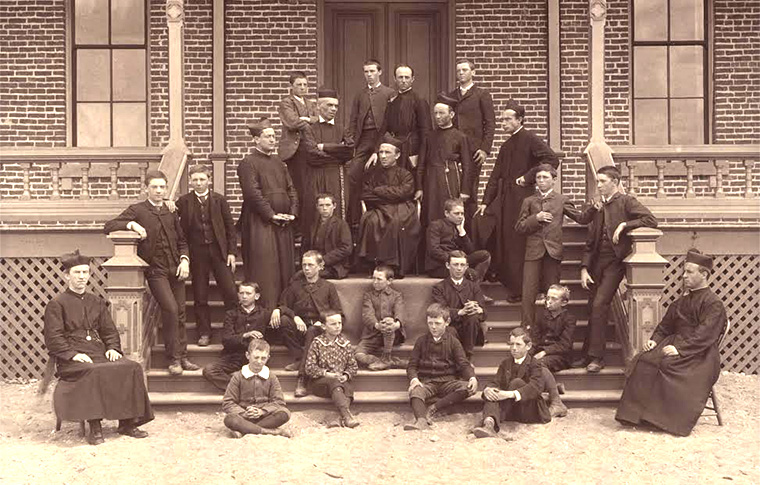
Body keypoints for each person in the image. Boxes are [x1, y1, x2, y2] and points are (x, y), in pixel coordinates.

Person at [43, 250, 153, 445]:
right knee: (93, 371)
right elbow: (54, 338)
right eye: (77, 273)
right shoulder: (56, 304)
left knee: (130, 367)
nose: (82, 277)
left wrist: (112, 347)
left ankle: (127, 422)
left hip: (98, 351)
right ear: (67, 275)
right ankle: (95, 426)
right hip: (71, 359)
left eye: (85, 272)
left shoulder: (96, 301)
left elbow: (109, 330)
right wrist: (73, 355)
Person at [615, 250, 728, 437]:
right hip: (675, 344)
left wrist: (680, 349)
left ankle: (664, 421)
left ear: (704, 274)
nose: (684, 276)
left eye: (689, 272)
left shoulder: (713, 304)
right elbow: (665, 326)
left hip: (700, 354)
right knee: (644, 360)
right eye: (684, 272)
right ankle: (636, 416)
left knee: (667, 365)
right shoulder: (681, 302)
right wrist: (654, 341)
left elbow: (705, 335)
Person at [104, 170, 198, 376]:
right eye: (154, 187)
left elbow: (182, 241)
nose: (158, 191)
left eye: (162, 187)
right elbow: (109, 225)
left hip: (176, 268)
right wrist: (132, 224)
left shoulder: (171, 211)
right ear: (146, 188)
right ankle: (172, 359)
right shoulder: (138, 210)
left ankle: (182, 357)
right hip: (156, 270)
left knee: (180, 312)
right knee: (171, 309)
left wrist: (185, 260)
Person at [476, 101, 559, 302]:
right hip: (504, 199)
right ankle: (502, 277)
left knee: (517, 242)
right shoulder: (506, 145)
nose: (504, 123)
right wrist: (486, 201)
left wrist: (529, 176)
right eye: (502, 119)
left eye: (508, 119)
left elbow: (551, 159)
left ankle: (522, 290)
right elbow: (495, 175)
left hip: (522, 200)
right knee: (489, 229)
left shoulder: (530, 139)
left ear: (519, 120)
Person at [577, 165, 657, 373]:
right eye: (598, 181)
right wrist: (584, 268)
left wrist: (624, 225)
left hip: (615, 262)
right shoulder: (597, 206)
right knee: (591, 307)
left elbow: (651, 219)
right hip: (596, 263)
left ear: (615, 181)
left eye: (603, 181)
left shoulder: (626, 201)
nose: (599, 185)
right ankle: (587, 355)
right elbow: (589, 240)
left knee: (600, 304)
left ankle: (597, 358)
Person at [515, 164, 596, 329]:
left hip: (553, 253)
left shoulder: (561, 200)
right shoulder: (529, 201)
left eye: (545, 177)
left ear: (554, 180)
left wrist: (593, 209)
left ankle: (550, 329)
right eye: (538, 178)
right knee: (528, 293)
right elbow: (519, 227)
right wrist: (535, 218)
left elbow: (581, 219)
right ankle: (527, 329)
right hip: (533, 252)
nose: (541, 181)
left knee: (553, 293)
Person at [237, 118, 298, 308]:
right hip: (259, 224)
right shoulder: (248, 163)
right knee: (265, 271)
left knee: (285, 270)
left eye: (274, 136)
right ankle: (265, 316)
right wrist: (271, 215)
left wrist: (293, 213)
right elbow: (252, 193)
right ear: (256, 139)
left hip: (283, 224)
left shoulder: (279, 163)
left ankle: (284, 314)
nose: (273, 140)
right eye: (268, 136)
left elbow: (292, 190)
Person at [176, 164, 238, 347]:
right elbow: (173, 220)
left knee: (230, 292)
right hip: (197, 253)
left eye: (202, 179)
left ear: (209, 180)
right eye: (195, 179)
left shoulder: (219, 200)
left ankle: (233, 330)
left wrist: (232, 253)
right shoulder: (184, 201)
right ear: (190, 181)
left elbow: (230, 229)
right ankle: (204, 332)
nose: (199, 183)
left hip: (219, 252)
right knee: (200, 295)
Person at [202, 282, 301, 391]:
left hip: (255, 358)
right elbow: (226, 339)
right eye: (241, 293)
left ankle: (247, 387)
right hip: (233, 357)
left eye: (248, 293)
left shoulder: (264, 314)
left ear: (256, 296)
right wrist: (245, 335)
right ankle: (240, 389)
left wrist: (283, 312)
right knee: (209, 370)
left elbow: (285, 312)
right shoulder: (231, 314)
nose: (244, 296)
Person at [274, 250, 343, 398]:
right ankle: (300, 358)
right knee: (284, 321)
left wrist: (323, 321)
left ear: (320, 266)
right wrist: (294, 316)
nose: (306, 268)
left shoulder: (328, 286)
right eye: (304, 265)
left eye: (310, 265)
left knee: (313, 329)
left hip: (320, 330)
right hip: (300, 329)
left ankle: (302, 379)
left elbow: (338, 311)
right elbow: (283, 305)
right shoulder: (295, 286)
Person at [405, 303, 478, 431]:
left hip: (448, 381)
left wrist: (472, 377)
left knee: (467, 388)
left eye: (437, 323)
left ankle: (434, 408)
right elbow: (411, 366)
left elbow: (463, 364)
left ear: (447, 322)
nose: (433, 327)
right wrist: (414, 380)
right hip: (428, 382)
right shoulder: (421, 341)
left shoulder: (453, 342)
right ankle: (421, 420)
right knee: (415, 391)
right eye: (430, 323)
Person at [357, 134, 422, 277]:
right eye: (381, 152)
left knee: (397, 222)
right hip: (379, 208)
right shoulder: (372, 174)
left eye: (387, 153)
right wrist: (390, 196)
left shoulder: (405, 174)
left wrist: (379, 191)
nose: (383, 156)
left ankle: (396, 266)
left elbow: (405, 192)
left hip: (402, 208)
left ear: (397, 155)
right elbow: (365, 194)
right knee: (372, 221)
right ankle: (377, 264)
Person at [471, 328, 551, 438]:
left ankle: (490, 420)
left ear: (528, 346)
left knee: (516, 382)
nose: (514, 348)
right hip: (510, 410)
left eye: (518, 344)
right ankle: (489, 424)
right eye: (511, 344)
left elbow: (535, 388)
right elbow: (495, 381)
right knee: (493, 392)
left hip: (528, 410)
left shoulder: (534, 363)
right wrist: (488, 389)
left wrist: (508, 394)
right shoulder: (506, 363)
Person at [345, 59, 396, 232]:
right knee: (353, 173)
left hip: (382, 138)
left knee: (378, 173)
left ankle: (379, 216)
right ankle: (354, 219)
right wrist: (350, 139)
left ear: (379, 72)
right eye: (366, 72)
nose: (369, 75)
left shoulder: (389, 93)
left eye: (372, 71)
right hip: (363, 139)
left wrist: (378, 148)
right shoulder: (360, 95)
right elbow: (353, 119)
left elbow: (392, 123)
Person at [298, 87, 355, 234]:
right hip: (315, 176)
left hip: (338, 176)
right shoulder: (309, 129)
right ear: (318, 106)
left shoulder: (342, 129)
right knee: (315, 213)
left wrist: (324, 147)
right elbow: (312, 155)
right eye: (329, 105)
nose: (334, 109)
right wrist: (338, 153)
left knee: (337, 213)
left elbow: (350, 151)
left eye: (336, 106)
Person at [448, 59, 496, 230]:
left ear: (472, 72)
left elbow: (490, 124)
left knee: (470, 192)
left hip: (474, 150)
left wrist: (484, 149)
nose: (461, 73)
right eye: (459, 70)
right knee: (453, 189)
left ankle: (469, 234)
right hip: (454, 150)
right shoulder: (452, 95)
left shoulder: (482, 94)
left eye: (465, 70)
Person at [416, 93, 474, 226]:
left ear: (452, 115)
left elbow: (467, 166)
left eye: (441, 113)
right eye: (435, 113)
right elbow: (421, 164)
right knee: (431, 214)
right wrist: (419, 187)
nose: (437, 117)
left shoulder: (460, 137)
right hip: (430, 182)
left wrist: (465, 190)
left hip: (451, 180)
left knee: (450, 214)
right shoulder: (429, 137)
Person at [222, 339, 292, 438]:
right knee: (230, 419)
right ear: (247, 356)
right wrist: (244, 413)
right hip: (244, 417)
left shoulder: (271, 377)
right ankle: (271, 432)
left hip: (265, 417)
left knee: (285, 413)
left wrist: (262, 411)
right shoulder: (238, 377)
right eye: (256, 357)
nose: (259, 362)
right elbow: (228, 403)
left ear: (268, 358)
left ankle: (245, 430)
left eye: (263, 358)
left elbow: (279, 402)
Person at [304, 310, 360, 428]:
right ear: (324, 326)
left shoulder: (345, 343)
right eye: (333, 324)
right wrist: (327, 374)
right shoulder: (317, 343)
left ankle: (336, 417)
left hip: (340, 382)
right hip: (321, 383)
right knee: (336, 383)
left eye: (339, 323)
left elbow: (353, 366)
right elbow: (309, 367)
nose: (337, 326)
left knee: (347, 388)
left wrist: (345, 375)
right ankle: (347, 417)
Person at [373, 64, 432, 173]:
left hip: (412, 150)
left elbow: (426, 133)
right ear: (395, 79)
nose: (403, 81)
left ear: (412, 79)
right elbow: (384, 128)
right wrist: (375, 151)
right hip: (394, 149)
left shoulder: (419, 100)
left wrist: (421, 157)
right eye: (400, 77)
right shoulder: (392, 101)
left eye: (407, 77)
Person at [431, 250, 487, 360]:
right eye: (455, 264)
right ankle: (455, 361)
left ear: (467, 267)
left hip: (471, 331)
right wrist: (460, 312)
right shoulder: (439, 287)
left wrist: (479, 309)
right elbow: (441, 311)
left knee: (473, 317)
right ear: (447, 265)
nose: (459, 268)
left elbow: (485, 314)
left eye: (462, 265)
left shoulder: (473, 287)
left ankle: (467, 358)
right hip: (451, 327)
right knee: (448, 330)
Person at [425, 198, 491, 283]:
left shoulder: (459, 227)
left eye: (462, 214)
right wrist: (454, 261)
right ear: (446, 213)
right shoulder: (436, 225)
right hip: (439, 266)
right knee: (471, 274)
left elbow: (471, 251)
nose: (460, 216)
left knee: (485, 255)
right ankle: (474, 292)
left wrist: (462, 232)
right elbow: (434, 251)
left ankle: (472, 290)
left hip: (458, 262)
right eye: (456, 213)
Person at [355, 265, 407, 371]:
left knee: (388, 322)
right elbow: (367, 314)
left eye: (379, 279)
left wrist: (395, 325)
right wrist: (377, 326)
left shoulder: (396, 296)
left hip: (392, 334)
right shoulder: (368, 296)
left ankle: (386, 356)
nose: (375, 282)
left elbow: (400, 312)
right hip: (372, 335)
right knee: (358, 355)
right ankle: (389, 361)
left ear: (389, 281)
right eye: (373, 278)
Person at [278, 71, 318, 204]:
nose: (302, 87)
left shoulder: (311, 103)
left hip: (310, 148)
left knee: (310, 186)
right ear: (292, 86)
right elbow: (292, 122)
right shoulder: (286, 103)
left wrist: (307, 119)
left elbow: (318, 119)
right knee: (297, 186)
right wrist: (309, 122)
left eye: (305, 84)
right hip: (295, 150)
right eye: (299, 84)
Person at [304, 193, 353, 279]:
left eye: (328, 205)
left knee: (306, 276)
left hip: (335, 266)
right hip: (315, 264)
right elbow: (305, 246)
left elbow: (346, 248)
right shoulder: (312, 226)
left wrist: (324, 260)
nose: (324, 208)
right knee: (298, 276)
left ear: (334, 206)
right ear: (317, 207)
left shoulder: (341, 224)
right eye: (321, 205)